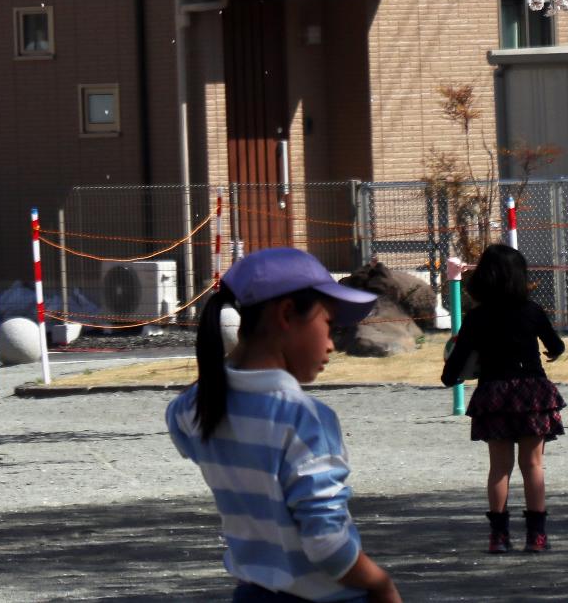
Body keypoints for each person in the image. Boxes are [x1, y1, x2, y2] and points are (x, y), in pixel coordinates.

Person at [166, 247, 401, 603]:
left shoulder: (193, 409)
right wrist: (381, 584)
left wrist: (235, 360)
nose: (332, 345)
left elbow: (185, 415)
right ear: (287, 314)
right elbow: (326, 543)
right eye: (329, 325)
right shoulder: (305, 419)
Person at [439, 243, 565, 554]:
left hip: (494, 393)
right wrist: (553, 352)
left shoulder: (477, 317)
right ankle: (536, 536)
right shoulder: (532, 310)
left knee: (499, 468)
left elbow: (459, 358)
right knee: (533, 465)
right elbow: (556, 344)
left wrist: (450, 377)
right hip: (532, 393)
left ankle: (498, 536)